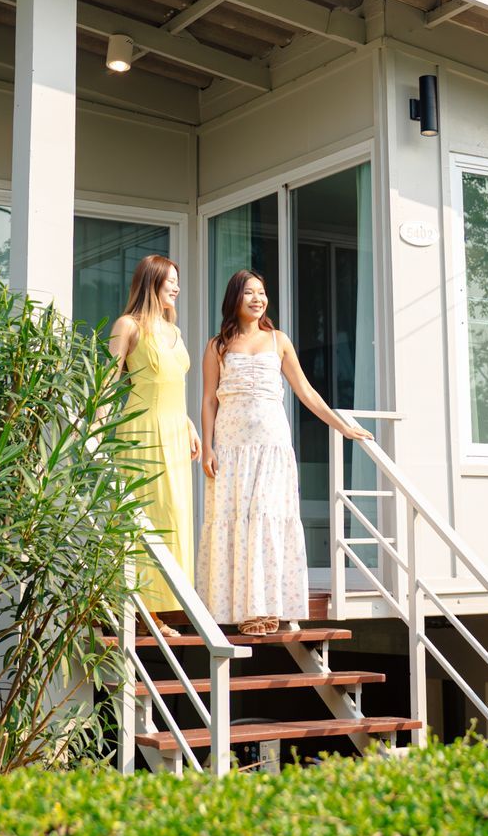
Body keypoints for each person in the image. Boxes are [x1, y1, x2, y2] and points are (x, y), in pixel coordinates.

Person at [198, 270, 368, 637]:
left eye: (262, 293)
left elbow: (306, 392)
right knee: (233, 517)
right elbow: (208, 400)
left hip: (272, 445)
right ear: (234, 299)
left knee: (267, 516)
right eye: (249, 293)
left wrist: (341, 425)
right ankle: (229, 606)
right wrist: (207, 447)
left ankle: (264, 607)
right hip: (231, 447)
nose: (258, 299)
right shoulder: (217, 346)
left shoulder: (279, 340)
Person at [108, 255, 202, 625]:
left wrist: (189, 424)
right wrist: (97, 435)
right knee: (146, 515)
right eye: (170, 281)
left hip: (176, 432)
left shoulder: (172, 330)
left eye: (178, 281)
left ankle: (161, 606)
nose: (176, 287)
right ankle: (141, 608)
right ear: (151, 283)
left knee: (175, 515)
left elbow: (173, 384)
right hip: (142, 431)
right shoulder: (128, 325)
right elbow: (107, 380)